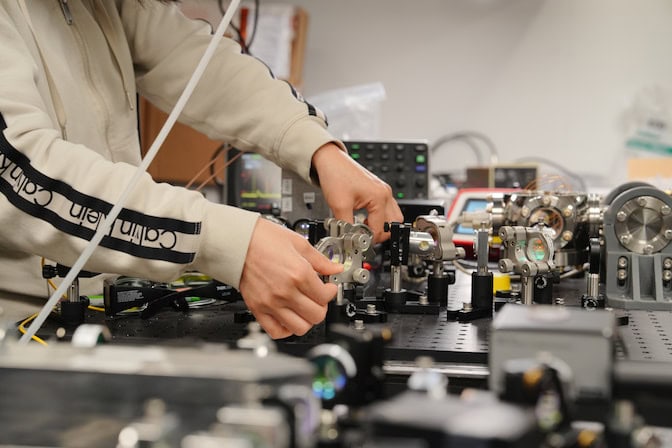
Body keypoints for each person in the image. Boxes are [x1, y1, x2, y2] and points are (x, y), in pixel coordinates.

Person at [0, 0, 402, 339]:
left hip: (101, 313)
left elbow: (194, 60)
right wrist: (224, 240)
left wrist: (319, 148)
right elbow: (23, 168)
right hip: (20, 335)